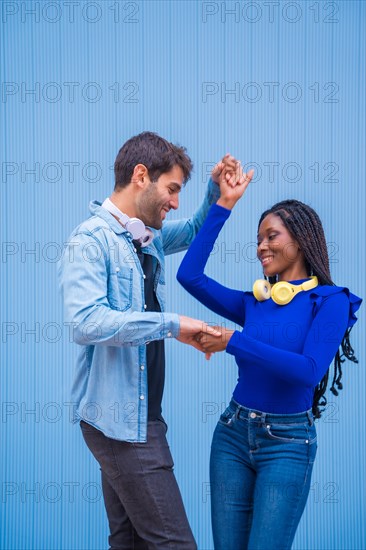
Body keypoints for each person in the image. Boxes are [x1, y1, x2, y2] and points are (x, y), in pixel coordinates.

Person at [58, 131, 237, 549]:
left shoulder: (144, 236)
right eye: (171, 189)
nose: (174, 201)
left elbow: (193, 229)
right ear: (141, 175)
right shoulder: (90, 241)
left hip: (136, 416)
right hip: (121, 424)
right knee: (175, 544)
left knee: (130, 541)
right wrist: (173, 324)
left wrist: (215, 190)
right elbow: (85, 321)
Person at [176, 161, 362, 550]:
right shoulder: (254, 304)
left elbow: (308, 372)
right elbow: (189, 275)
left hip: (288, 442)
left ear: (301, 239)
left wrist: (234, 341)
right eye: (258, 239)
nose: (261, 247)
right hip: (232, 435)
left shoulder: (331, 302)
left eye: (271, 236)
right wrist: (224, 204)